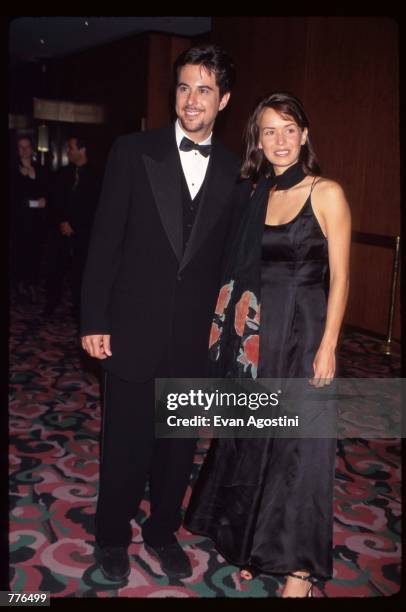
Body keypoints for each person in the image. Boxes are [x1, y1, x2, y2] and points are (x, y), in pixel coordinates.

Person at [80, 44, 248, 582]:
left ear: (223, 99)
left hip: (194, 337)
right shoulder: (134, 151)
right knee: (126, 445)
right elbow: (104, 241)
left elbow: (231, 263)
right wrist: (93, 319)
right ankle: (111, 536)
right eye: (183, 87)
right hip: (131, 326)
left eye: (203, 89)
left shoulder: (235, 169)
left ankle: (161, 532)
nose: (191, 99)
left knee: (177, 451)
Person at [184, 92, 351, 597]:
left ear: (304, 134)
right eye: (268, 131)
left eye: (288, 129)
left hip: (303, 334)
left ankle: (298, 566)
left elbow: (341, 278)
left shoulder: (327, 193)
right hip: (257, 337)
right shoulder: (259, 192)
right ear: (258, 139)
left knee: (300, 449)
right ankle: (257, 545)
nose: (279, 141)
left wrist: (329, 346)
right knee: (256, 442)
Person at [43, 135, 100, 322]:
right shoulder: (63, 173)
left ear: (82, 150)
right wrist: (63, 221)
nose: (68, 151)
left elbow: (95, 206)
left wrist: (75, 225)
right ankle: (51, 305)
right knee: (55, 269)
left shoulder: (97, 175)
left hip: (83, 233)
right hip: (61, 230)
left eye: (71, 147)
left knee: (80, 274)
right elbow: (55, 200)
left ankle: (79, 310)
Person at [10, 135, 48, 304]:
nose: (24, 150)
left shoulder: (40, 169)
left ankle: (32, 284)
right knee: (20, 253)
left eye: (27, 147)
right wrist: (22, 177)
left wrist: (45, 199)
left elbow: (47, 189)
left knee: (35, 253)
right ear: (17, 150)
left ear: (32, 149)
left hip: (37, 220)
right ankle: (20, 285)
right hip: (19, 220)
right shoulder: (12, 170)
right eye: (20, 147)